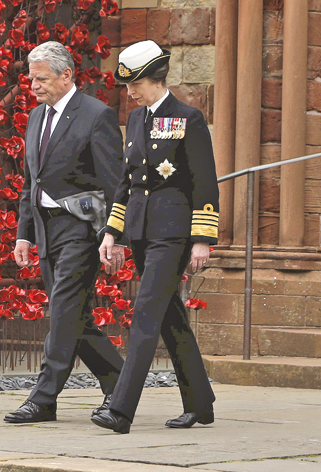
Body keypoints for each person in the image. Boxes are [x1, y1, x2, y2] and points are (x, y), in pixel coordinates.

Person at [91, 40, 218, 434]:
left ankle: (120, 409)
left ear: (156, 78)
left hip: (174, 234)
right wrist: (113, 233)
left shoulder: (188, 118)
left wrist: (203, 238)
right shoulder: (137, 121)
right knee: (169, 319)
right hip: (143, 233)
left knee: (145, 315)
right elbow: (126, 185)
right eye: (127, 85)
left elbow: (205, 182)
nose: (130, 92)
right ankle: (200, 402)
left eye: (136, 83)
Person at [5, 41, 126, 424]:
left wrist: (115, 235)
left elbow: (115, 183)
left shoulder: (97, 115)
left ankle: (43, 399)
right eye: (30, 79)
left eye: (40, 79)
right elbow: (31, 183)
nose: (34, 86)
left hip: (82, 229)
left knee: (62, 311)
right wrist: (24, 234)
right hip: (45, 231)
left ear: (66, 75)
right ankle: (123, 389)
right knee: (76, 317)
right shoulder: (36, 118)